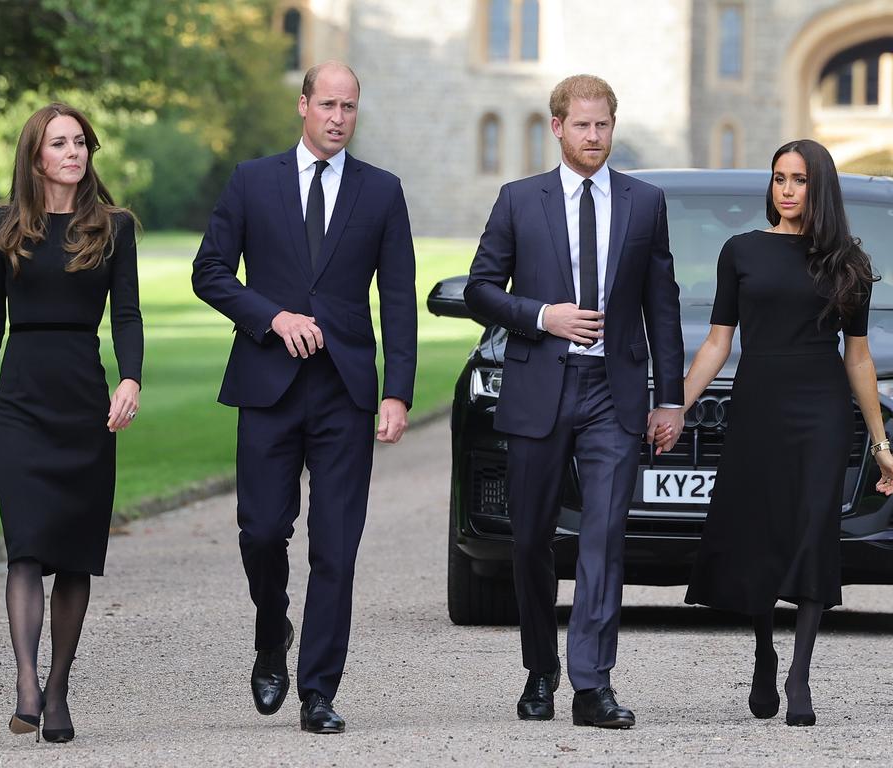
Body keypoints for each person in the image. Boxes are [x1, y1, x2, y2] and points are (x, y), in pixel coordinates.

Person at [191, 61, 417, 734]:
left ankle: (318, 690)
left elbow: (399, 301)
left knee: (336, 548)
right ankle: (271, 629)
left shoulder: (381, 192)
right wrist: (271, 317)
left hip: (344, 391)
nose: (338, 117)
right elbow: (209, 272)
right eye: (327, 104)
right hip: (268, 385)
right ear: (303, 105)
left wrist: (397, 392)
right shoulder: (252, 181)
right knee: (262, 531)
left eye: (349, 106)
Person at [464, 74, 685, 728]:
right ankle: (541, 668)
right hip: (538, 389)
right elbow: (480, 289)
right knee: (530, 539)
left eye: (603, 125)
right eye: (582, 125)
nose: (593, 136)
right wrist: (541, 315)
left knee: (604, 537)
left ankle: (593, 684)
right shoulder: (518, 201)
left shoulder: (645, 203)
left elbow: (662, 309)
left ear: (613, 127)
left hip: (611, 396)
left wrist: (668, 399)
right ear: (556, 126)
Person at [664, 139, 893, 726]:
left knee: (814, 528)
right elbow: (719, 342)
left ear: (820, 188)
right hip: (758, 403)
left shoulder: (849, 263)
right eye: (779, 179)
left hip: (821, 409)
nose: (786, 190)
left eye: (799, 180)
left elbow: (859, 358)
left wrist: (881, 442)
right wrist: (676, 407)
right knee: (763, 531)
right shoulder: (740, 251)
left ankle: (799, 674)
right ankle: (765, 651)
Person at [0, 103, 143, 743]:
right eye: (59, 143)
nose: (74, 152)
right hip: (21, 401)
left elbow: (128, 315)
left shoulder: (114, 228)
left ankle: (60, 689)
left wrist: (130, 377)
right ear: (35, 155)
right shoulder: (4, 227)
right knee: (27, 546)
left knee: (73, 556)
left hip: (82, 402)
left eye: (81, 142)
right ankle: (27, 685)